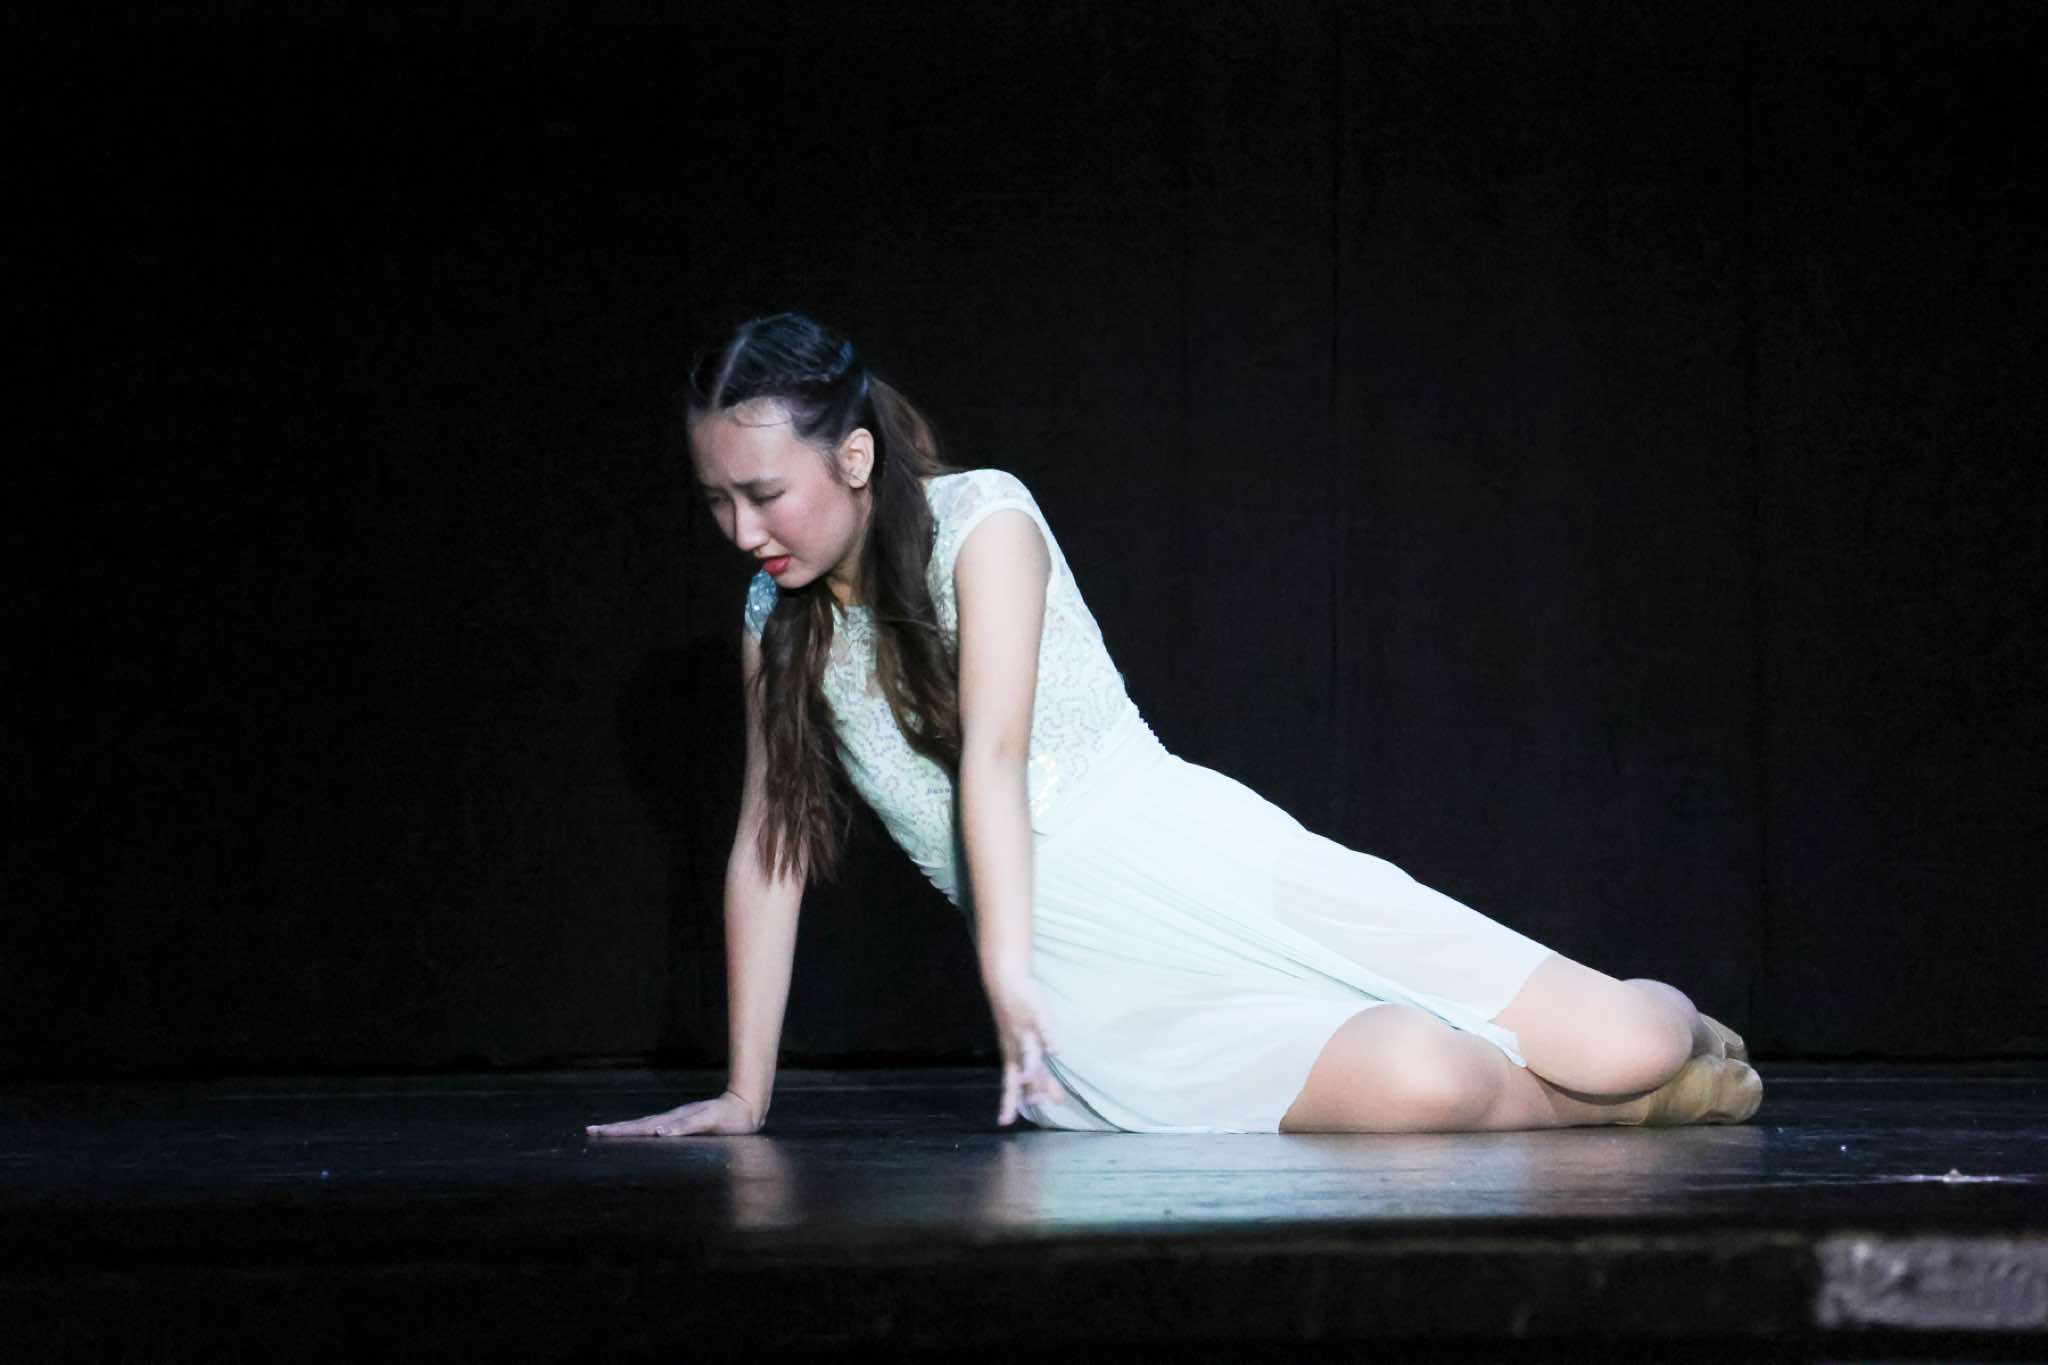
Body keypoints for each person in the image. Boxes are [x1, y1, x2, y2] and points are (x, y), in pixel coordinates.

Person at [587, 311, 1764, 1139]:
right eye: (716, 502)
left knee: (1627, 1042)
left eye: (763, 494)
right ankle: (1621, 1115)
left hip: (1200, 861)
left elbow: (992, 756)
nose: (741, 532)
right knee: (1426, 1084)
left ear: (852, 457)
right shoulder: (776, 622)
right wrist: (744, 1095)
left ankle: (1660, 1059)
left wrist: (998, 972)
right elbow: (770, 846)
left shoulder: (982, 522)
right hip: (1089, 978)